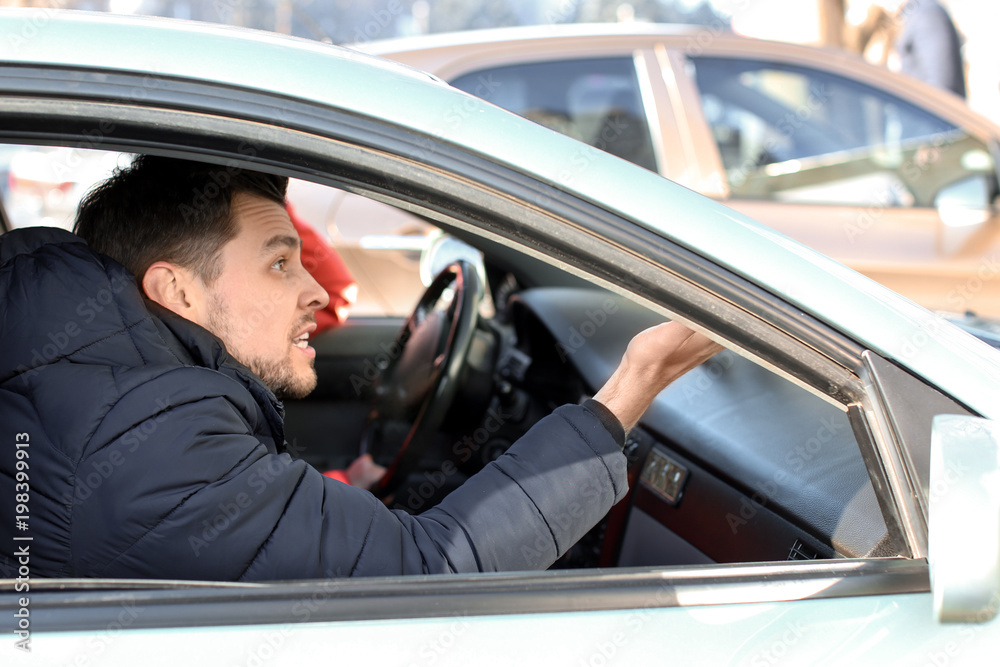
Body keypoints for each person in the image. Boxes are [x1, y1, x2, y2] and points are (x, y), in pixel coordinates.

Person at [0, 155, 721, 581]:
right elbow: (431, 574)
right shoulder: (148, 450)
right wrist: (632, 387)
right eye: (281, 263)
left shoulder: (102, 386)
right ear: (177, 290)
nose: (315, 289)